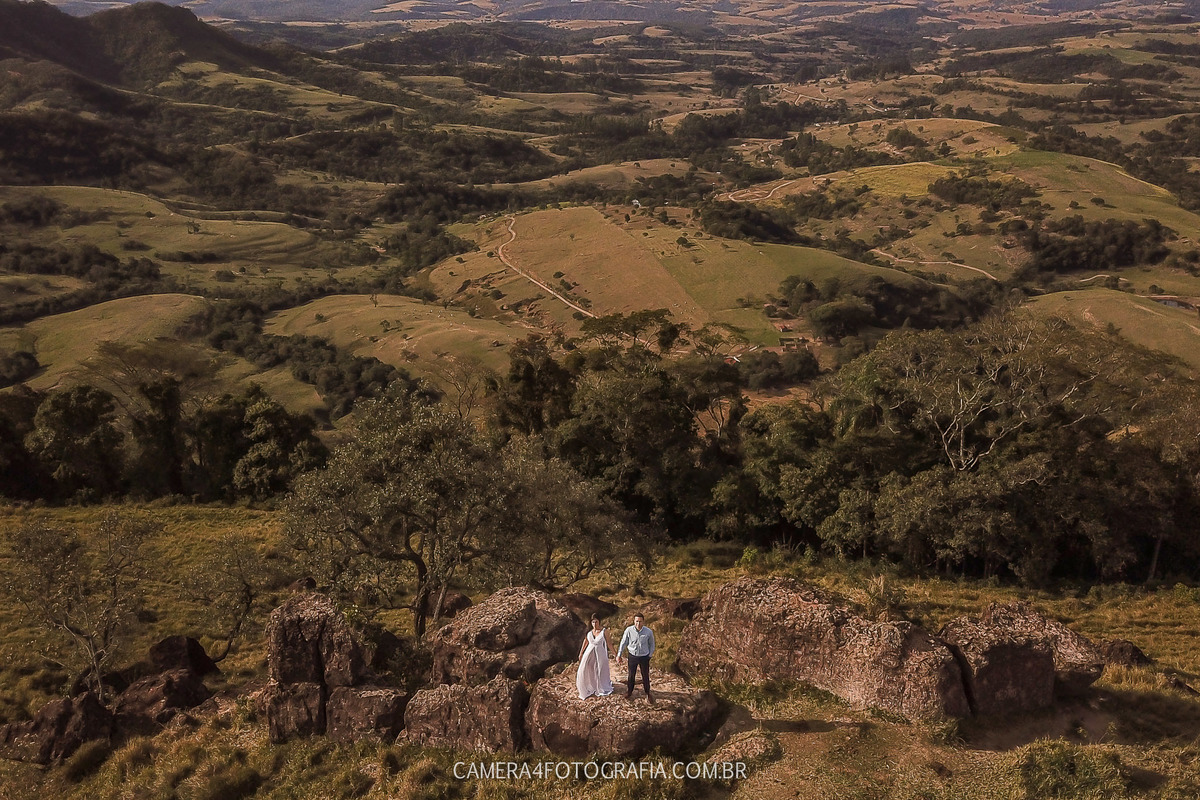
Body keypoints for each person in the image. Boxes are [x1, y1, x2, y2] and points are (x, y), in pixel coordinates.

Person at [616, 612, 655, 702]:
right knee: (631, 675)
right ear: (634, 621)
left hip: (644, 656)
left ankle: (648, 692)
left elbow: (652, 644)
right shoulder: (629, 630)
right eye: (636, 621)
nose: (638, 623)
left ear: (643, 622)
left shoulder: (648, 632)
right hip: (632, 656)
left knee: (645, 675)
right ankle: (629, 691)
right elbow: (623, 642)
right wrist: (619, 654)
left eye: (640, 621)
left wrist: (650, 655)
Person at [576, 614, 614, 699]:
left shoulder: (604, 631)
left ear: (599, 622)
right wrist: (581, 653)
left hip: (600, 653)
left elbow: (609, 644)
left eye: (596, 621)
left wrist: (616, 654)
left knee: (600, 670)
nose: (594, 623)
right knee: (587, 668)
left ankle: (601, 686)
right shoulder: (589, 632)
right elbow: (585, 641)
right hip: (589, 653)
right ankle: (591, 685)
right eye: (593, 622)